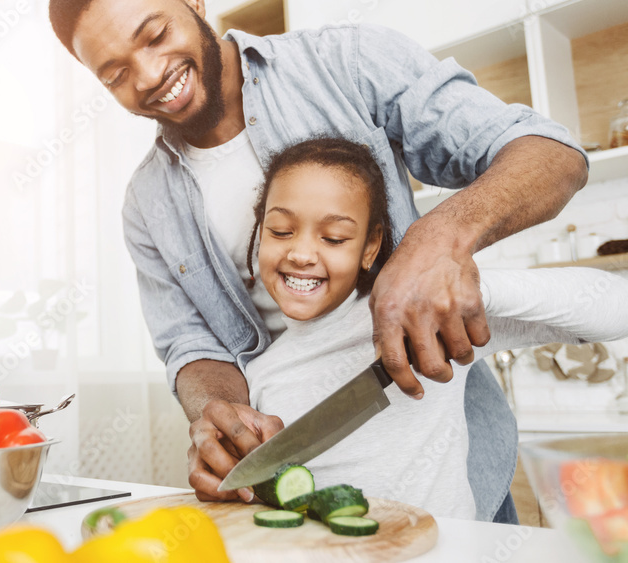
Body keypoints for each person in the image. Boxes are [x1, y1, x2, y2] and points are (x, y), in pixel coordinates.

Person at [48, 0, 589, 521]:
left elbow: (549, 154)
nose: (146, 75)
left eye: (155, 35)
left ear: (194, 1)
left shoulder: (347, 62)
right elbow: (189, 344)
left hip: (445, 458)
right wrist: (214, 411)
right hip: (295, 483)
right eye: (115, 73)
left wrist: (438, 238)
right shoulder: (146, 203)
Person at [239, 136, 628, 519]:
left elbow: (616, 307)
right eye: (280, 231)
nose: (302, 254)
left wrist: (469, 292)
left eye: (334, 237)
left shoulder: (427, 318)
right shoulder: (259, 374)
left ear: (370, 247)